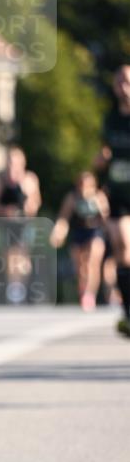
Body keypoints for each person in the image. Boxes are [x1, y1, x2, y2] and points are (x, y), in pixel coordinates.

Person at [96, 64, 130, 336]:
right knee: (120, 247)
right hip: (118, 192)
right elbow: (105, 151)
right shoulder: (110, 120)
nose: (124, 87)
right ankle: (127, 309)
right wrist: (102, 160)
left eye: (128, 82)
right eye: (120, 82)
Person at [0, 146, 41, 304]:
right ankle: (14, 289)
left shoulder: (29, 179)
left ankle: (20, 286)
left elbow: (36, 202)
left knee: (23, 257)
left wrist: (28, 204)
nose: (14, 165)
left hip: (25, 224)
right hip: (7, 224)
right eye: (11, 161)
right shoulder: (0, 180)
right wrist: (5, 210)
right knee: (10, 256)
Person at [50, 171, 109, 310]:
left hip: (94, 231)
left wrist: (100, 207)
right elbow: (63, 218)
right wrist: (58, 233)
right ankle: (83, 290)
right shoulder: (72, 198)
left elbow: (107, 218)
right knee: (81, 267)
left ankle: (90, 294)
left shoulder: (99, 197)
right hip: (78, 232)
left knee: (92, 262)